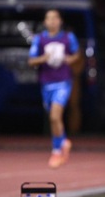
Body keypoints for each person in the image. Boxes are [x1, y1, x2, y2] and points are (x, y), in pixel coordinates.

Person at [27, 9, 80, 168]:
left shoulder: (68, 37)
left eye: (55, 18)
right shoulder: (39, 39)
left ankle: (56, 150)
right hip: (46, 83)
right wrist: (43, 58)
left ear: (60, 21)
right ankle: (63, 141)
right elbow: (31, 61)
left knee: (55, 116)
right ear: (45, 22)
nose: (52, 21)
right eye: (49, 18)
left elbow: (77, 54)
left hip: (63, 82)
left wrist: (70, 59)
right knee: (53, 118)